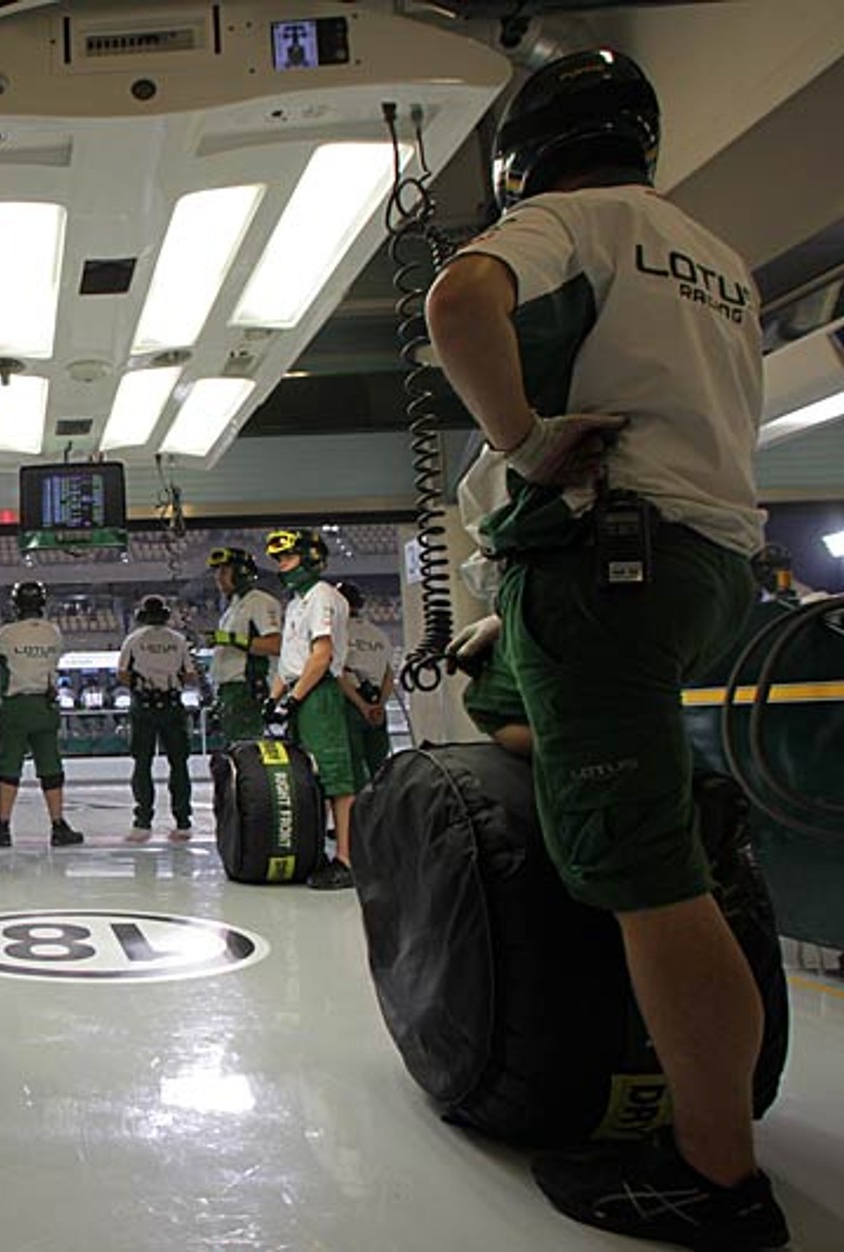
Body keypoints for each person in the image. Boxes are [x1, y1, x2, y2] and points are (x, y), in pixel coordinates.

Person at [423, 49, 786, 1247]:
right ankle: (652, 804)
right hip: (702, 563)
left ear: (526, 151)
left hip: (605, 563)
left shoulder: (565, 219)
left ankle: (713, 1175)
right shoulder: (715, 259)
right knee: (495, 691)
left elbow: (459, 303)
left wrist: (522, 444)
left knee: (645, 873)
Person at [263, 527, 361, 890]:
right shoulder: (295, 603)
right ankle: (316, 852)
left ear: (311, 558)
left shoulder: (322, 596)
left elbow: (321, 657)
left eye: (288, 557)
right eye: (279, 560)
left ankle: (346, 860)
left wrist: (293, 700)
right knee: (311, 778)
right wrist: (273, 699)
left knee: (336, 778)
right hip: (299, 690)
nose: (282, 565)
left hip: (317, 694)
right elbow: (291, 660)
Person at [0, 580, 80, 847]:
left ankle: (3, 826)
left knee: (9, 766)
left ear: (16, 605)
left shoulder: (6, 634)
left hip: (16, 706)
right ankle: (58, 825)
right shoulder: (54, 632)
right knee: (51, 765)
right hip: (45, 705)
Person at [116, 595, 199, 842]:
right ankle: (183, 821)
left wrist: (142, 685)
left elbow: (123, 675)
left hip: (144, 704)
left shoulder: (133, 640)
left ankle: (143, 822)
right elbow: (190, 674)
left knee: (142, 764)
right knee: (179, 764)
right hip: (172, 703)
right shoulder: (178, 640)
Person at [206, 547, 283, 744]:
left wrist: (232, 639)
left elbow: (275, 644)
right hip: (228, 690)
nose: (218, 577)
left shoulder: (260, 602)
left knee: (247, 749)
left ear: (241, 573)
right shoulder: (232, 608)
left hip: (247, 689)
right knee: (234, 751)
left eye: (224, 571)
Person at [334, 583, 395, 773]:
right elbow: (389, 675)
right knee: (379, 766)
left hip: (350, 704)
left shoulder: (336, 634)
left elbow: (338, 675)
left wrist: (362, 706)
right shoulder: (379, 634)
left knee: (352, 766)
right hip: (376, 702)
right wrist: (378, 706)